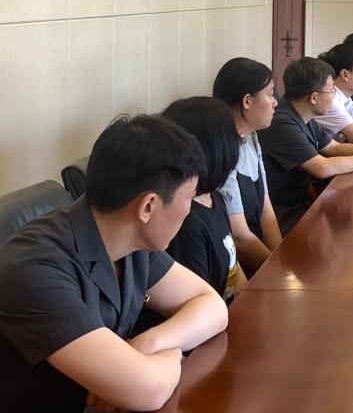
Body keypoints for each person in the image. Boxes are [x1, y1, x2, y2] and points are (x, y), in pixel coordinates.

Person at [0, 115, 228, 413]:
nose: (189, 210)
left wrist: (150, 343)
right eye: (188, 198)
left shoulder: (129, 237)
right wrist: (172, 355)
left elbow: (212, 306)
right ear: (148, 206)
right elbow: (148, 390)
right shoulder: (35, 269)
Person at [260, 57, 353, 234]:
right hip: (283, 211)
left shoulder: (304, 115)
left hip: (304, 200)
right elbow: (322, 168)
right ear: (314, 97)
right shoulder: (282, 122)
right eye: (331, 91)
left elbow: (333, 148)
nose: (334, 96)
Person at [162, 97, 246, 302]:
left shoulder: (215, 198)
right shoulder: (186, 221)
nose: (239, 142)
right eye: (233, 137)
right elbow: (198, 302)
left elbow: (234, 266)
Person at [212, 57, 283, 274]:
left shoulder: (251, 136)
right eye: (270, 94)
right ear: (247, 101)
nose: (275, 102)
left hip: (261, 258)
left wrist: (281, 258)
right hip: (235, 267)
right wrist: (278, 272)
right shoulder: (222, 149)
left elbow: (266, 212)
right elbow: (240, 237)